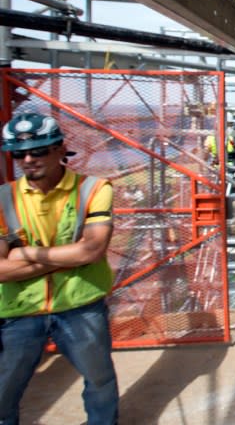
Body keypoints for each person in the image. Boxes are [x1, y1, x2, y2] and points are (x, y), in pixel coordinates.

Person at [0, 113, 118, 425]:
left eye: (38, 150)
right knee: (4, 393)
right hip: (21, 309)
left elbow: (92, 249)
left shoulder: (93, 189)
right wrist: (71, 256)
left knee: (100, 382)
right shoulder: (3, 199)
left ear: (59, 149)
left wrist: (23, 252)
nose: (28, 160)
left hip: (80, 305)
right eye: (19, 153)